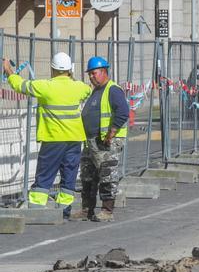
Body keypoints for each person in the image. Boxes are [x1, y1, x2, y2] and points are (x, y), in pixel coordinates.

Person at [3, 53, 92, 217]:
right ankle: (64, 211)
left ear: (52, 69)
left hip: (53, 139)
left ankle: (36, 210)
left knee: (45, 175)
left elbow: (20, 86)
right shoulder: (79, 87)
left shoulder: (45, 86)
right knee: (69, 175)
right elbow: (87, 91)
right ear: (70, 70)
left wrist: (9, 70)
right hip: (74, 139)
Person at [71, 57, 129, 222]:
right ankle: (86, 209)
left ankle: (107, 210)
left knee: (107, 175)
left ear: (104, 71)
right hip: (91, 142)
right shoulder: (95, 91)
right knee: (88, 177)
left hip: (106, 142)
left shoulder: (113, 90)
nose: (91, 77)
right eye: (89, 74)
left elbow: (123, 111)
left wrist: (112, 133)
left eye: (93, 73)